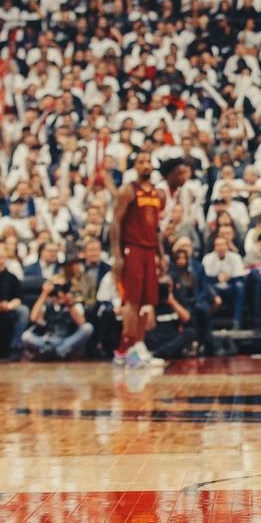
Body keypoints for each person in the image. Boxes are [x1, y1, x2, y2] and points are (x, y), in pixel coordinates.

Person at [109, 151, 167, 368]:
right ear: (135, 166)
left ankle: (139, 346)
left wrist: (161, 255)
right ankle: (125, 349)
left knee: (147, 302)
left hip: (149, 250)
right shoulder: (128, 190)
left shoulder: (157, 194)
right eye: (141, 161)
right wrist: (117, 255)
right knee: (131, 301)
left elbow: (157, 228)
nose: (146, 165)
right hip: (131, 248)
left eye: (148, 161)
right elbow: (115, 223)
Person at [22, 275, 93, 360]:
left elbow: (82, 323)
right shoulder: (47, 303)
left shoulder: (73, 304)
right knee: (26, 336)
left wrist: (69, 304)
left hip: (66, 340)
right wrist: (44, 294)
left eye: (62, 288)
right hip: (48, 340)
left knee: (88, 328)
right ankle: (56, 351)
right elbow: (33, 318)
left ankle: (57, 351)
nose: (59, 292)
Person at [0, 242, 29, 358]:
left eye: (2, 257)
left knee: (23, 311)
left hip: (9, 309)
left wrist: (10, 305)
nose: (0, 260)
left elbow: (18, 298)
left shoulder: (12, 277)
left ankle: (15, 347)